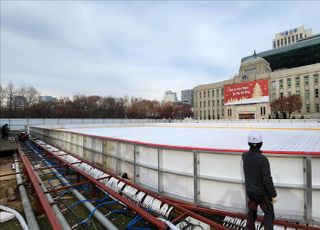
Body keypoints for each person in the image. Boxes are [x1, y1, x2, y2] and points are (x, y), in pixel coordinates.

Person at [242, 131, 277, 230]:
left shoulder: (244, 156)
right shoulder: (263, 160)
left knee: (252, 212)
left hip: (250, 192)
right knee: (269, 214)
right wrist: (273, 194)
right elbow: (267, 180)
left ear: (249, 143)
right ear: (261, 143)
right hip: (262, 194)